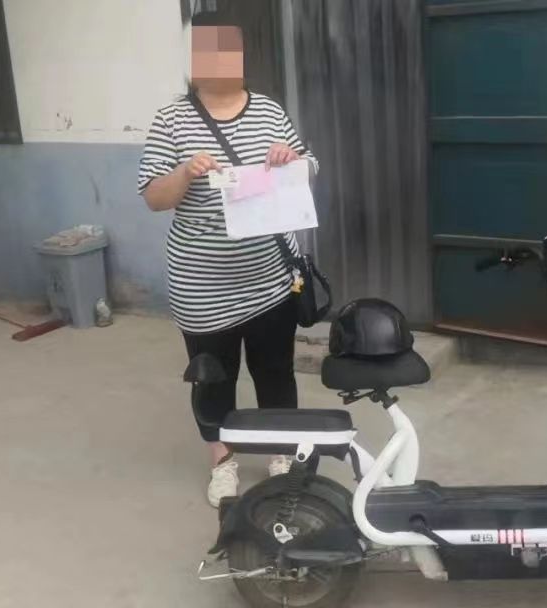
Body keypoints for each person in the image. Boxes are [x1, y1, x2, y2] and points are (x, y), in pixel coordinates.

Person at [137, 10, 317, 507]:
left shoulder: (269, 111)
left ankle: (281, 452)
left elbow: (308, 168)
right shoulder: (171, 119)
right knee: (213, 377)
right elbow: (153, 197)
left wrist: (290, 160)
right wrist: (184, 172)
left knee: (275, 371)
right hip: (202, 284)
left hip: (269, 279)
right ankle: (222, 460)